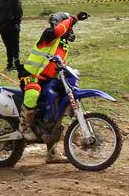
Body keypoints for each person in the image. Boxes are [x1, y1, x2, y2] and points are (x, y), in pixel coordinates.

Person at [20, 11, 90, 162]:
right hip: (30, 76)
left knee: (56, 108)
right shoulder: (49, 35)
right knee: (34, 91)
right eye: (68, 26)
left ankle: (52, 153)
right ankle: (24, 126)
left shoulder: (64, 45)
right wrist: (74, 18)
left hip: (47, 79)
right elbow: (58, 31)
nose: (70, 30)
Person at [0, 0, 23, 71]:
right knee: (7, 45)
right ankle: (9, 64)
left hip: (13, 26)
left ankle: (16, 63)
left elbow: (19, 13)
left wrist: (17, 24)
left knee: (14, 45)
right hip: (3, 27)